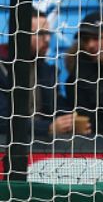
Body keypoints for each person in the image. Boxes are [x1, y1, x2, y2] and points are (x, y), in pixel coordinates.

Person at [0, 10, 56, 138]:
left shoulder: (45, 69)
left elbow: (55, 106)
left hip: (42, 144)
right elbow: (3, 120)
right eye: (41, 34)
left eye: (48, 33)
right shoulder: (2, 68)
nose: (47, 39)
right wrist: (48, 127)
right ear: (20, 35)